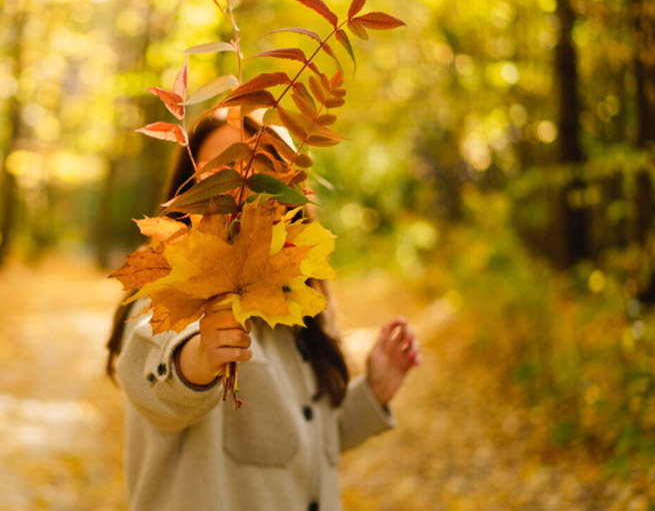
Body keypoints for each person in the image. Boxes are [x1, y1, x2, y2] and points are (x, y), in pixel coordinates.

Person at [106, 115, 420, 511]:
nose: (240, 185)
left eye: (256, 168)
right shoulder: (172, 281)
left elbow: (301, 447)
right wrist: (200, 358)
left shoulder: (292, 308)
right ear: (190, 191)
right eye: (222, 169)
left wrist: (373, 393)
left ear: (285, 187)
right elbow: (154, 379)